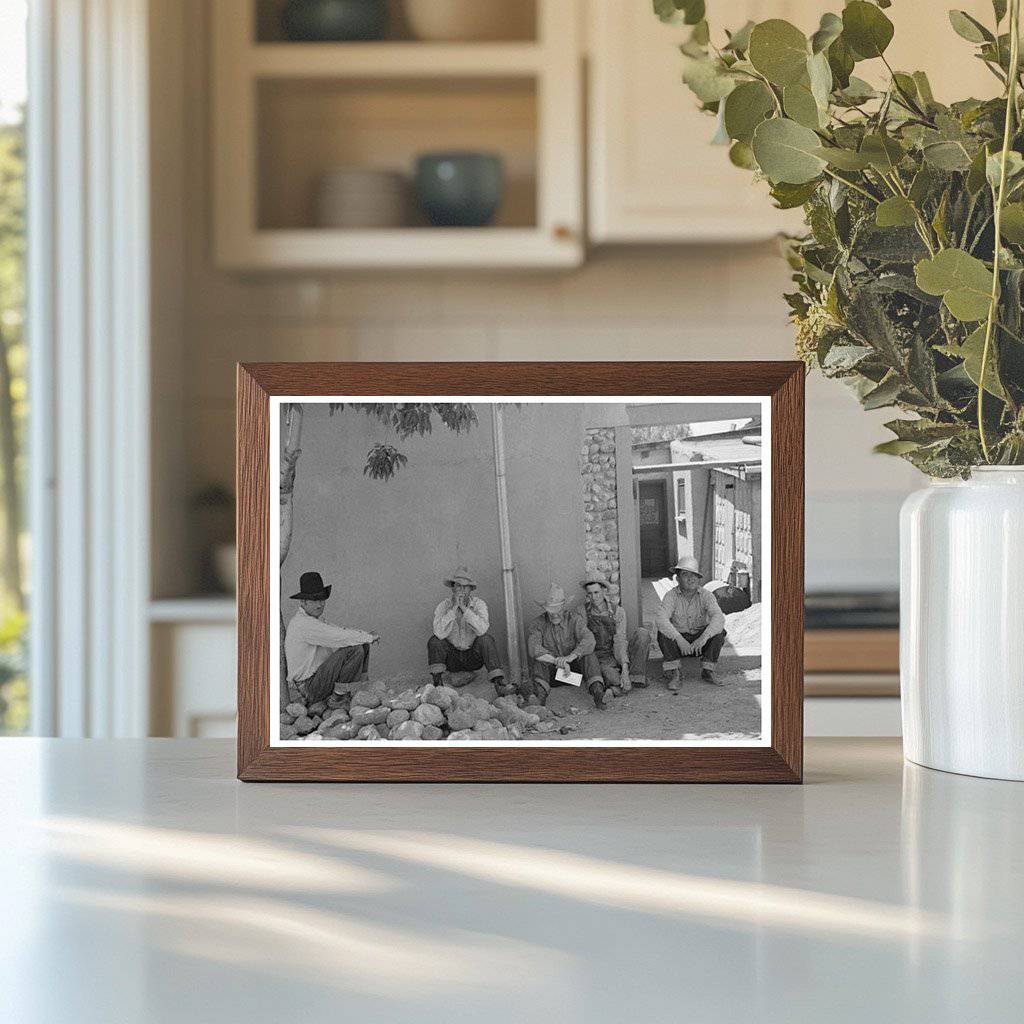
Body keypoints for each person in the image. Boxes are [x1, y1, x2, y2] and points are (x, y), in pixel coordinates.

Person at [284, 571, 378, 706]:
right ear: (303, 602)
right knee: (355, 648)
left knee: (362, 643)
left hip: (318, 679)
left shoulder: (315, 621)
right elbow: (338, 637)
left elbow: (340, 631)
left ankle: (360, 688)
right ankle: (337, 699)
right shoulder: (303, 624)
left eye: (322, 600)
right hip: (310, 687)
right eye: (314, 600)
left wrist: (365, 635)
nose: (320, 604)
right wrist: (368, 637)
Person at [428, 565, 509, 695]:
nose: (461, 590)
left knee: (486, 640)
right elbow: (438, 632)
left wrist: (465, 610)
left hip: (472, 657)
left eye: (465, 587)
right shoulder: (444, 606)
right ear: (452, 588)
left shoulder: (479, 604)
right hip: (452, 658)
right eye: (458, 586)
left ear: (471, 589)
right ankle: (437, 684)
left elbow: (482, 630)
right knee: (435, 641)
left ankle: (499, 684)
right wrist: (454, 609)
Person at [527, 583, 605, 709]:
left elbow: (589, 639)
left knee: (589, 654)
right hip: (552, 675)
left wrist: (570, 658)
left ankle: (597, 692)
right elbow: (534, 649)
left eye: (558, 610)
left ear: (564, 607)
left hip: (573, 674)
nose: (555, 614)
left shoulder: (574, 619)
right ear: (545, 609)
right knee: (539, 662)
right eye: (551, 611)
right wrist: (557, 661)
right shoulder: (538, 623)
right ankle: (540, 698)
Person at [656, 555, 727, 691]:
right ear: (677, 579)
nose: (691, 578)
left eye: (694, 575)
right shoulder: (671, 596)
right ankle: (674, 673)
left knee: (719, 632)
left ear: (699, 578)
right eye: (685, 575)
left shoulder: (707, 595)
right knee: (663, 632)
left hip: (699, 645)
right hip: (678, 645)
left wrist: (703, 638)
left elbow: (718, 617)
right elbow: (661, 618)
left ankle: (708, 670)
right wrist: (679, 639)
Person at [580, 571, 650, 695]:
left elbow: (620, 640)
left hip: (617, 652)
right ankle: (617, 684)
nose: (593, 597)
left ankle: (634, 677)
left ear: (604, 591)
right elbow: (584, 641)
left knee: (642, 634)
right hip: (600, 658)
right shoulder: (583, 612)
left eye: (596, 592)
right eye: (590, 594)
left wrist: (624, 667)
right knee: (614, 680)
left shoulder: (618, 611)